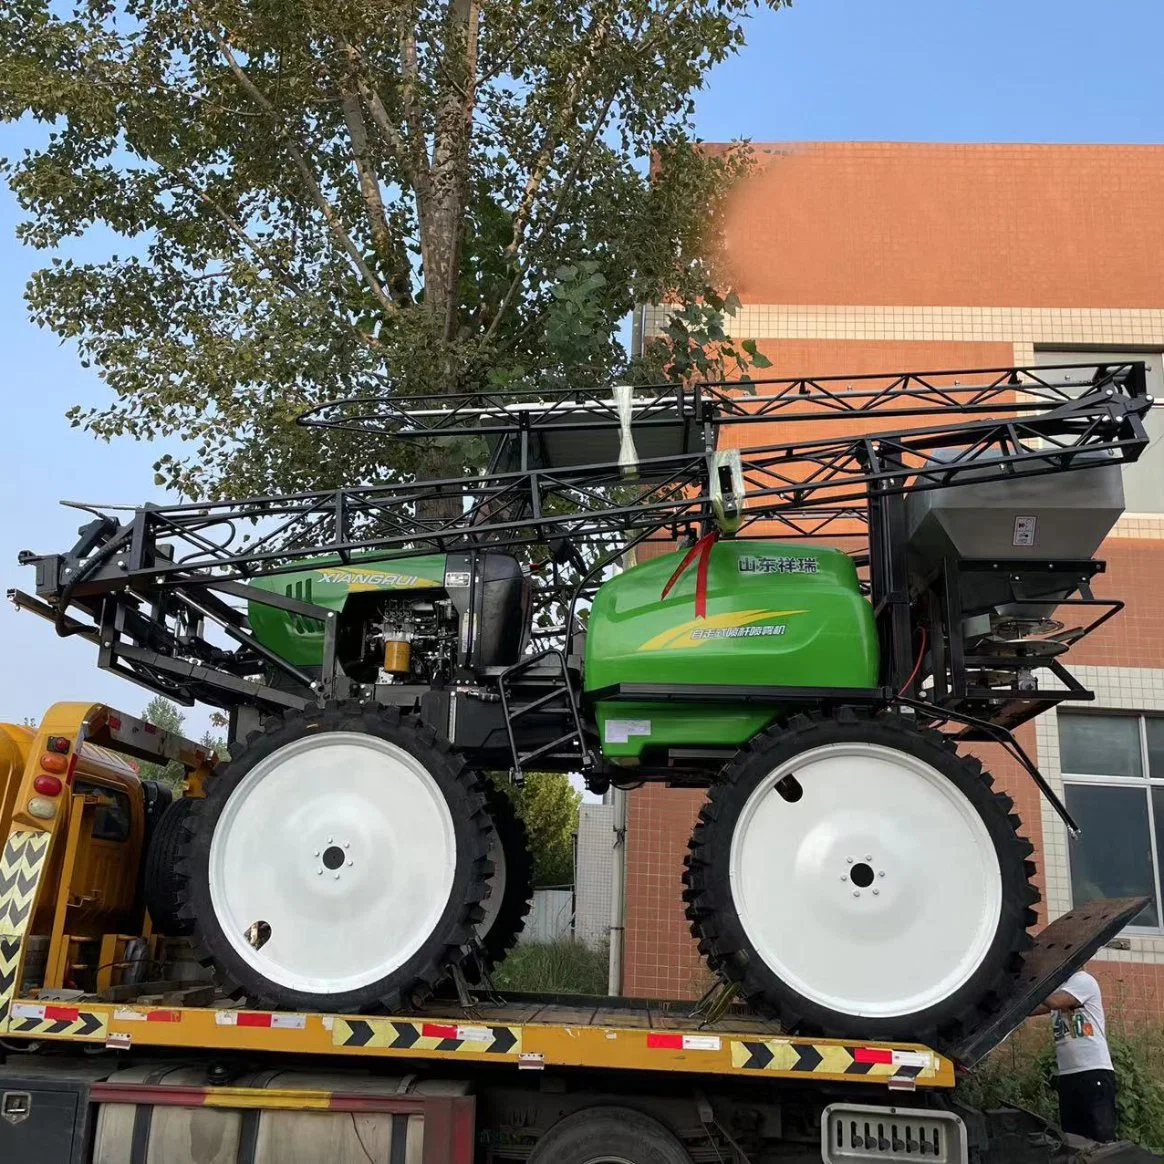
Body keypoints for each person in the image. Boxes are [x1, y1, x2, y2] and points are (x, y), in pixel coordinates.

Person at [1031, 969, 1117, 1142]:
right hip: (1068, 1074)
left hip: (1093, 1071)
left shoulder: (1082, 981)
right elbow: (1031, 1009)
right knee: (1074, 1140)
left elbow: (1055, 1002)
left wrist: (1033, 982)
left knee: (1100, 1138)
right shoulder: (1059, 988)